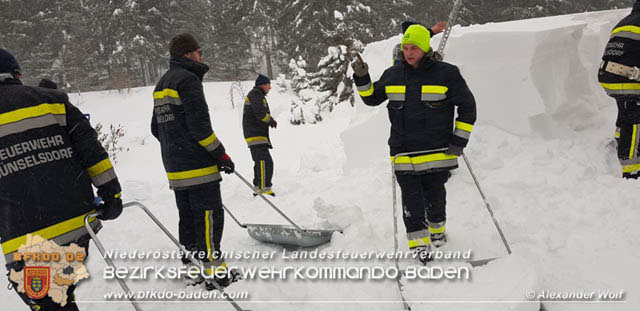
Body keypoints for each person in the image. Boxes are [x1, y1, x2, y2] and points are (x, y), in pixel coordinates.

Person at [0, 48, 123, 310]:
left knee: (51, 301)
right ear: (16, 74)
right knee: (61, 292)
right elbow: (91, 152)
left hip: (23, 239)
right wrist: (112, 194)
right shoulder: (52, 100)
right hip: (75, 228)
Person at [352, 24, 477, 265]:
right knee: (411, 200)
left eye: (414, 48)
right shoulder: (393, 74)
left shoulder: (447, 74)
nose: (409, 53)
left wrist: (459, 140)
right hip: (403, 151)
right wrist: (361, 76)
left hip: (438, 151)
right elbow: (370, 98)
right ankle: (420, 246)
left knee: (435, 196)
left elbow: (468, 107)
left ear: (425, 47)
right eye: (406, 48)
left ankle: (437, 231)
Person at [151, 34, 237, 289]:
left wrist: (176, 148)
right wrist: (220, 154)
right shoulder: (188, 80)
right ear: (188, 54)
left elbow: (156, 128)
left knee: (187, 218)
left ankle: (192, 268)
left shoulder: (161, 84)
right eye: (199, 52)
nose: (202, 56)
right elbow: (200, 128)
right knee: (209, 216)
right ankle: (215, 274)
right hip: (198, 167)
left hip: (175, 168)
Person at [598, 0, 640, 179]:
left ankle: (620, 138)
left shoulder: (626, 20)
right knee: (635, 116)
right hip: (627, 76)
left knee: (625, 108)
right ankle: (631, 167)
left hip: (607, 74)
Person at [243, 74, 277, 196]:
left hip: (257, 134)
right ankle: (263, 188)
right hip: (255, 134)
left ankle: (259, 185)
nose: (270, 88)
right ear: (263, 84)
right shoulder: (256, 94)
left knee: (262, 161)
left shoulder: (257, 95)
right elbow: (260, 113)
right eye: (269, 84)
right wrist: (271, 120)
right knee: (264, 161)